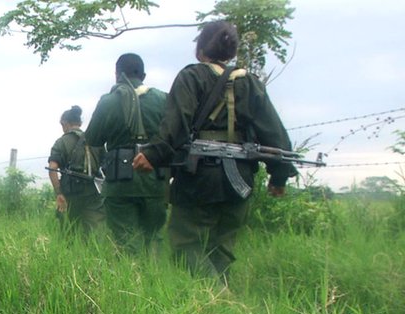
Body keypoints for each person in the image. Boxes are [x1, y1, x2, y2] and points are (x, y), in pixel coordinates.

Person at [132, 20, 297, 279]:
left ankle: (219, 300)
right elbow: (275, 134)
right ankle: (222, 308)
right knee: (222, 250)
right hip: (239, 179)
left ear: (200, 50)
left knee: (186, 246)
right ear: (231, 51)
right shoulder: (249, 82)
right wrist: (279, 176)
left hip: (199, 178)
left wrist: (153, 154)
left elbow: (175, 125)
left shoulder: (192, 76)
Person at [85, 53, 168, 254]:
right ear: (144, 75)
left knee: (126, 242)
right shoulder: (163, 99)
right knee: (153, 239)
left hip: (120, 181)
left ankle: (131, 282)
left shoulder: (109, 101)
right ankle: (153, 280)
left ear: (117, 75)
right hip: (155, 180)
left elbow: (93, 138)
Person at [47, 105, 105, 234]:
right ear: (80, 123)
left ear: (64, 123)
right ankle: (93, 253)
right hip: (93, 192)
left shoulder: (61, 142)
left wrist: (59, 193)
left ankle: (70, 253)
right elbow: (106, 166)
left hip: (70, 193)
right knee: (95, 232)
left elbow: (52, 168)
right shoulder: (95, 140)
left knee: (68, 231)